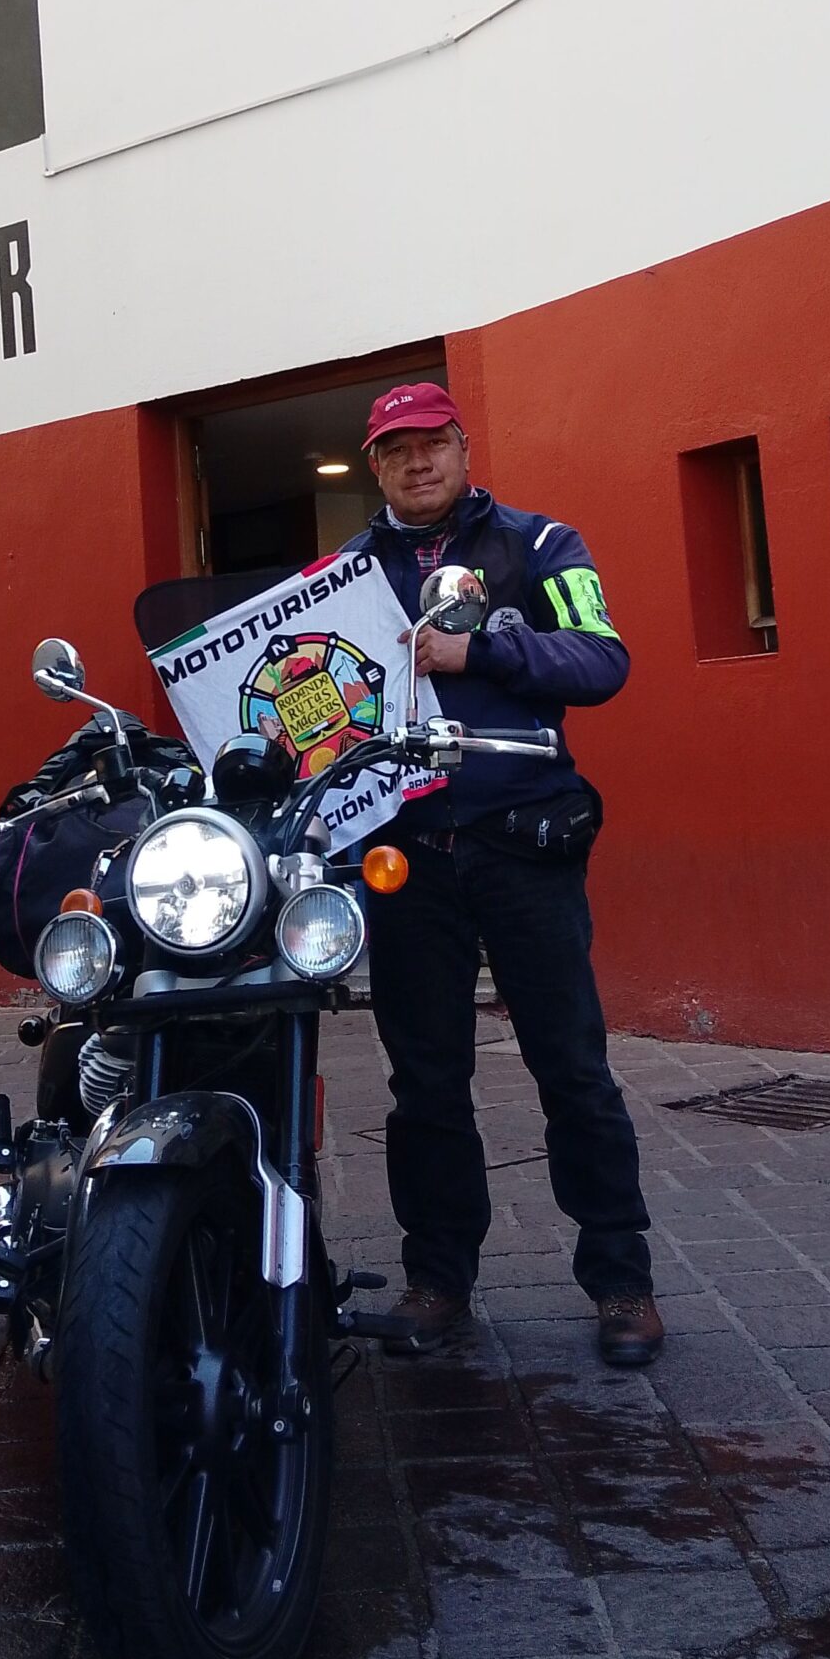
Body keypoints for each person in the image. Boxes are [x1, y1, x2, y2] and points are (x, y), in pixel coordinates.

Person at [351, 382, 663, 1368]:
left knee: (572, 1069)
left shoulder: (541, 545)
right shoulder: (342, 580)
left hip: (524, 841)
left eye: (432, 443)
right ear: (375, 467)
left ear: (463, 446)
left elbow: (602, 659)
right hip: (405, 859)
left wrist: (478, 645)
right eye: (396, 449)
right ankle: (437, 1281)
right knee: (425, 1085)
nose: (417, 461)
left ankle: (622, 1283)